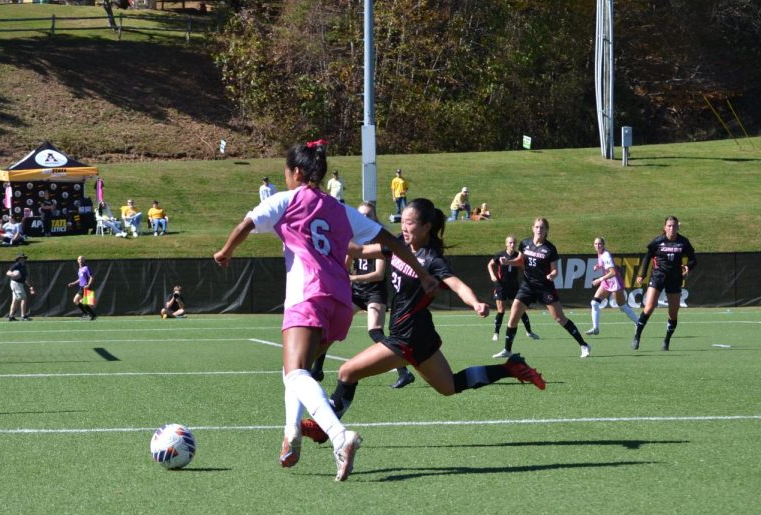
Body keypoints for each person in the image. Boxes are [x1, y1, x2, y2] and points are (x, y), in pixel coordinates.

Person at [214, 140, 439, 481]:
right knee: (296, 371)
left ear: (298, 172)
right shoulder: (339, 209)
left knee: (295, 374)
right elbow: (392, 242)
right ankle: (291, 436)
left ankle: (339, 436)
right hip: (339, 300)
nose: (286, 178)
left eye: (287, 172)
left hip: (308, 295)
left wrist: (225, 251)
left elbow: (247, 223)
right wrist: (422, 274)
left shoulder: (285, 200)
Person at [300, 198, 545, 447]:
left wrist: (475, 303)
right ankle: (510, 368)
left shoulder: (432, 260)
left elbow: (456, 283)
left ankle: (323, 428)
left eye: (409, 222)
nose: (404, 227)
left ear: (426, 227)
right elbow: (359, 251)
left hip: (407, 336)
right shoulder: (398, 246)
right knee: (450, 386)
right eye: (402, 221)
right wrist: (329, 236)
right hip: (420, 335)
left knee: (347, 372)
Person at [312, 201, 414, 389]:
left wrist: (352, 277)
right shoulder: (355, 238)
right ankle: (317, 370)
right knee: (332, 327)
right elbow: (345, 263)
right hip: (357, 293)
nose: (364, 219)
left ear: (375, 218)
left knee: (375, 332)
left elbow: (379, 274)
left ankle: (404, 371)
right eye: (362, 215)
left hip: (375, 292)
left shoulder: (381, 241)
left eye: (369, 215)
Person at [493, 217, 592, 359]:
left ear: (546, 231)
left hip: (544, 287)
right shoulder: (525, 244)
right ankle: (507, 350)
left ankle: (584, 345)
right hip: (527, 286)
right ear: (533, 228)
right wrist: (508, 261)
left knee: (559, 318)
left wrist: (552, 275)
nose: (539, 230)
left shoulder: (550, 248)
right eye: (537, 227)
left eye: (542, 228)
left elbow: (555, 270)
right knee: (513, 317)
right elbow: (520, 260)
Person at [631, 215, 697, 351]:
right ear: (665, 227)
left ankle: (666, 340)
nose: (672, 228)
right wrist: (642, 274)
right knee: (648, 308)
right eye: (669, 226)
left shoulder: (683, 242)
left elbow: (693, 259)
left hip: (675, 279)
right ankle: (637, 336)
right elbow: (648, 256)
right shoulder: (658, 241)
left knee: (673, 313)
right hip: (658, 277)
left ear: (678, 227)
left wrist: (688, 267)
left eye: (674, 226)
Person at [486, 236, 539, 343]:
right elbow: (490, 265)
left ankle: (529, 332)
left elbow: (523, 268)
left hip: (514, 287)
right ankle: (496, 333)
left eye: (514, 242)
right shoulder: (500, 255)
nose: (512, 244)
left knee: (520, 310)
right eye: (510, 243)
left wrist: (529, 277)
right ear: (506, 244)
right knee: (501, 311)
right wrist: (492, 276)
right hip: (501, 286)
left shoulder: (518, 256)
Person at [587, 236, 641, 334]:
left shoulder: (606, 255)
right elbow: (602, 263)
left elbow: (613, 272)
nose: (597, 245)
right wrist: (598, 266)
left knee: (622, 307)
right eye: (595, 244)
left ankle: (638, 323)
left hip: (615, 283)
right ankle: (596, 328)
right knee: (594, 303)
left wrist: (599, 279)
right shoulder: (600, 253)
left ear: (603, 245)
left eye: (599, 244)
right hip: (607, 282)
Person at [6, 253, 35, 321]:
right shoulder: (17, 265)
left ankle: (11, 316)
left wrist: (30, 287)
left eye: (23, 258)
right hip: (16, 283)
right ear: (18, 259)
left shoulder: (23, 266)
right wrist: (13, 274)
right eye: (21, 258)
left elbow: (26, 278)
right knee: (24, 298)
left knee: (15, 300)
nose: (22, 259)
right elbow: (7, 272)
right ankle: (23, 316)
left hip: (19, 284)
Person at [68, 255, 97, 321]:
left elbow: (92, 277)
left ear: (84, 260)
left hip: (86, 287)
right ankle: (92, 315)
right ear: (77, 261)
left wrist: (88, 285)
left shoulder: (86, 268)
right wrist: (73, 283)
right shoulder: (80, 269)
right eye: (79, 259)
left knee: (78, 301)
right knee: (80, 302)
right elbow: (80, 279)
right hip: (81, 287)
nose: (80, 260)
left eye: (81, 259)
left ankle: (87, 314)